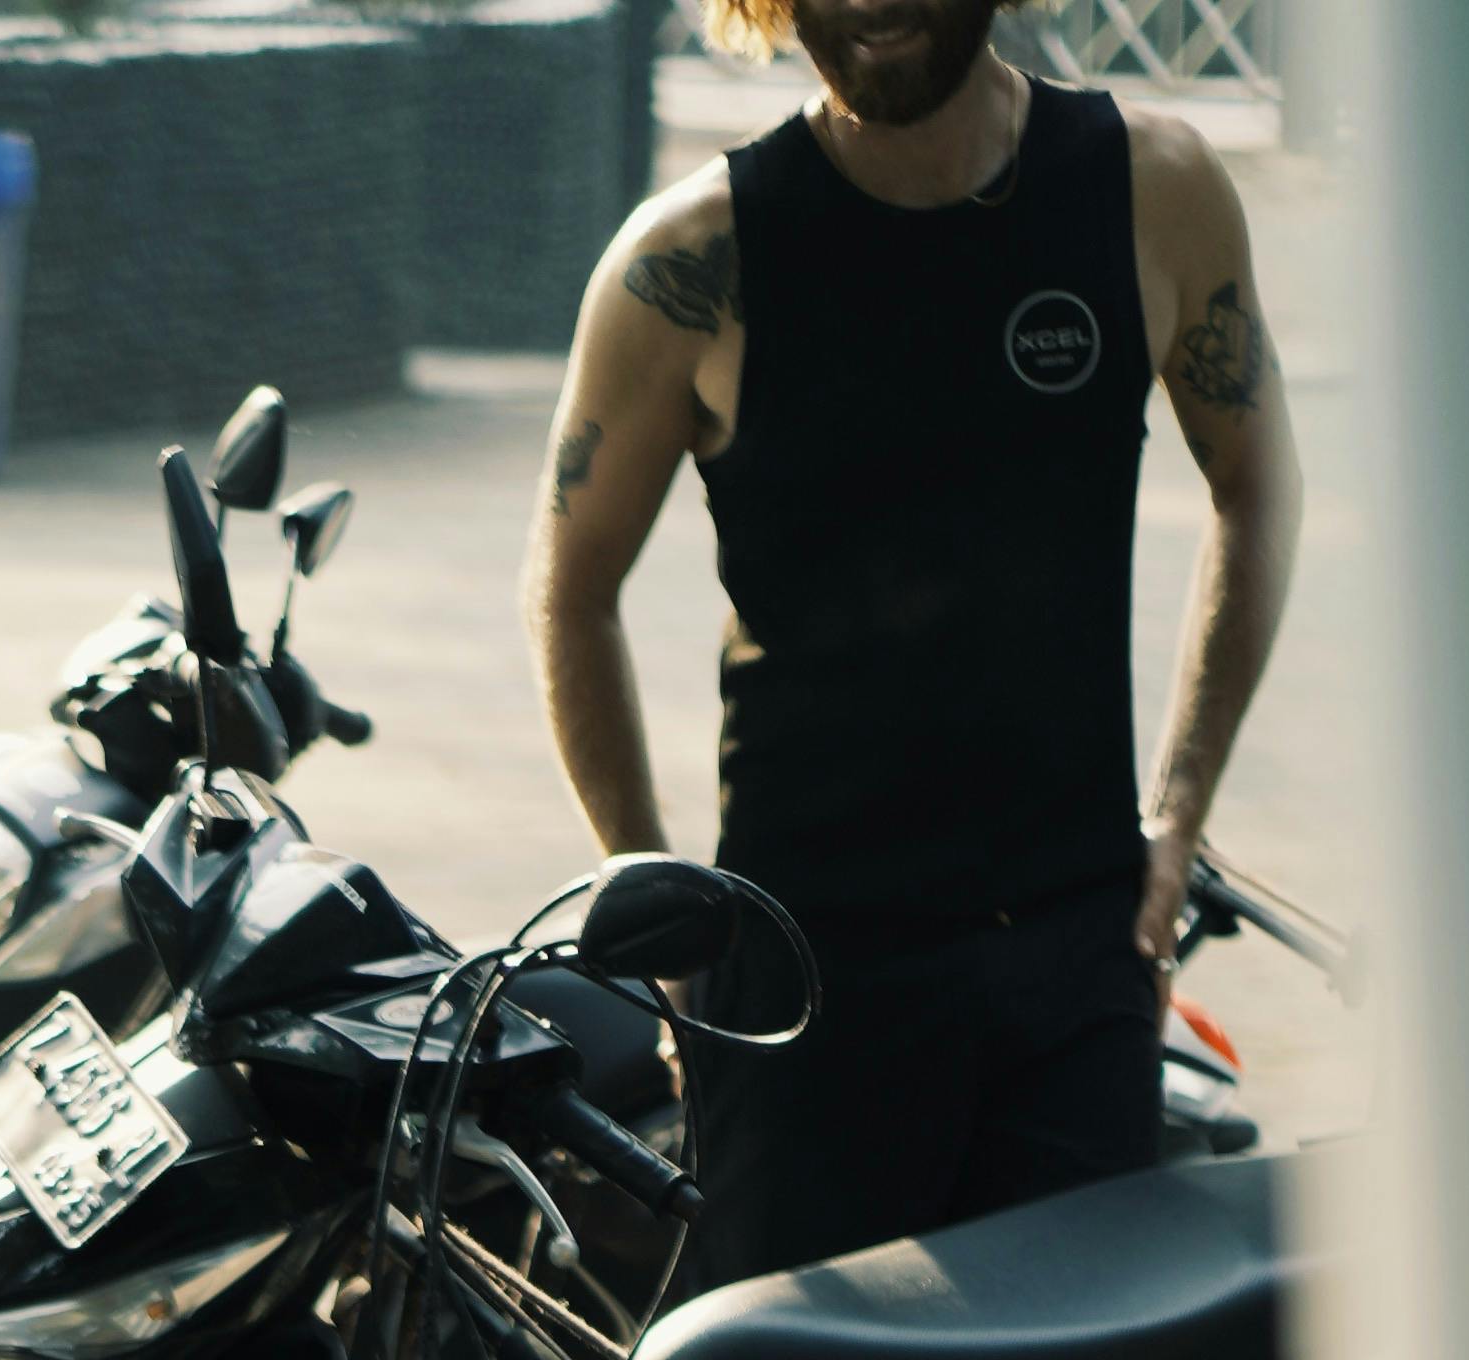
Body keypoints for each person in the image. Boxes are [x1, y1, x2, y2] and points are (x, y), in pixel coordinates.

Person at [524, 0, 1303, 1280]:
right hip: (803, 983)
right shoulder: (697, 255)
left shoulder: (1143, 190)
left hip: (1073, 957)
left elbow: (1259, 483)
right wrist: (649, 894)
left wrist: (1179, 810)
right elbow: (569, 583)